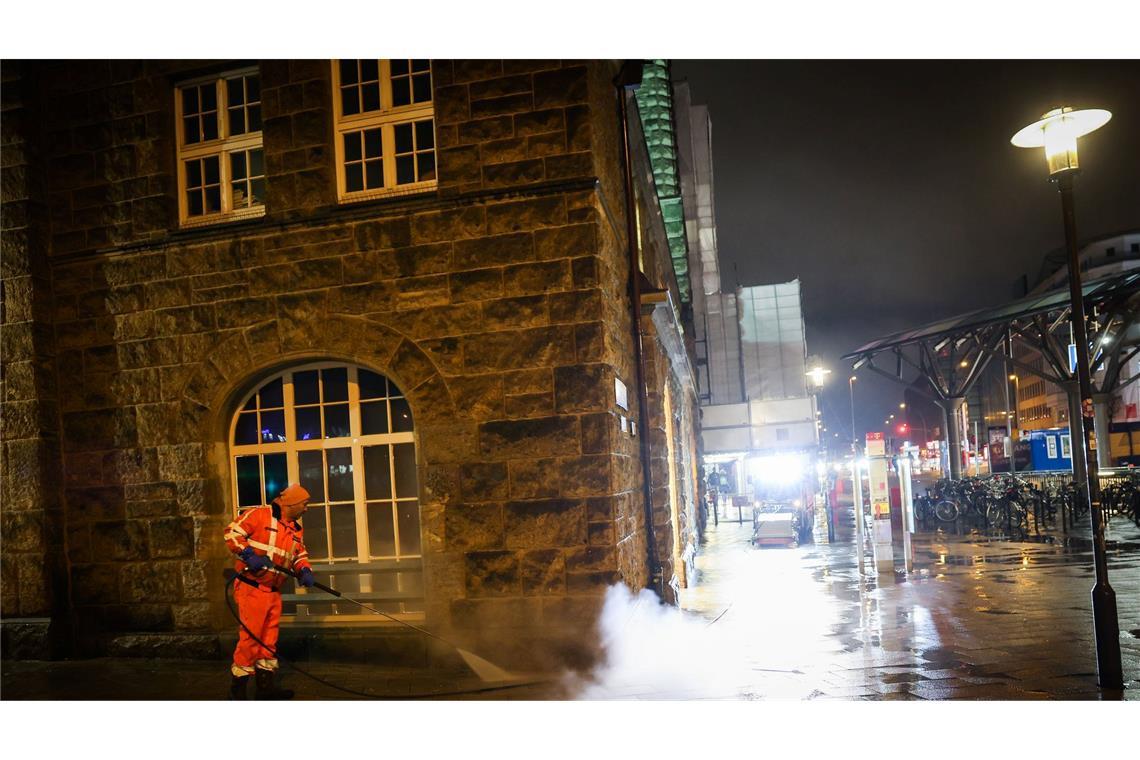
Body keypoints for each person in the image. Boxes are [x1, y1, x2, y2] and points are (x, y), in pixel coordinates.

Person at [223, 483, 317, 700]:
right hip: (251, 587)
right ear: (292, 504)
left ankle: (265, 689)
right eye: (305, 504)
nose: (307, 508)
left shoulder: (295, 530)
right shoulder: (259, 515)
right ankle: (237, 692)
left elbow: (298, 554)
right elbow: (232, 533)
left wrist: (304, 569)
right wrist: (248, 555)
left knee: (268, 639)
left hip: (273, 591)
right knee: (251, 639)